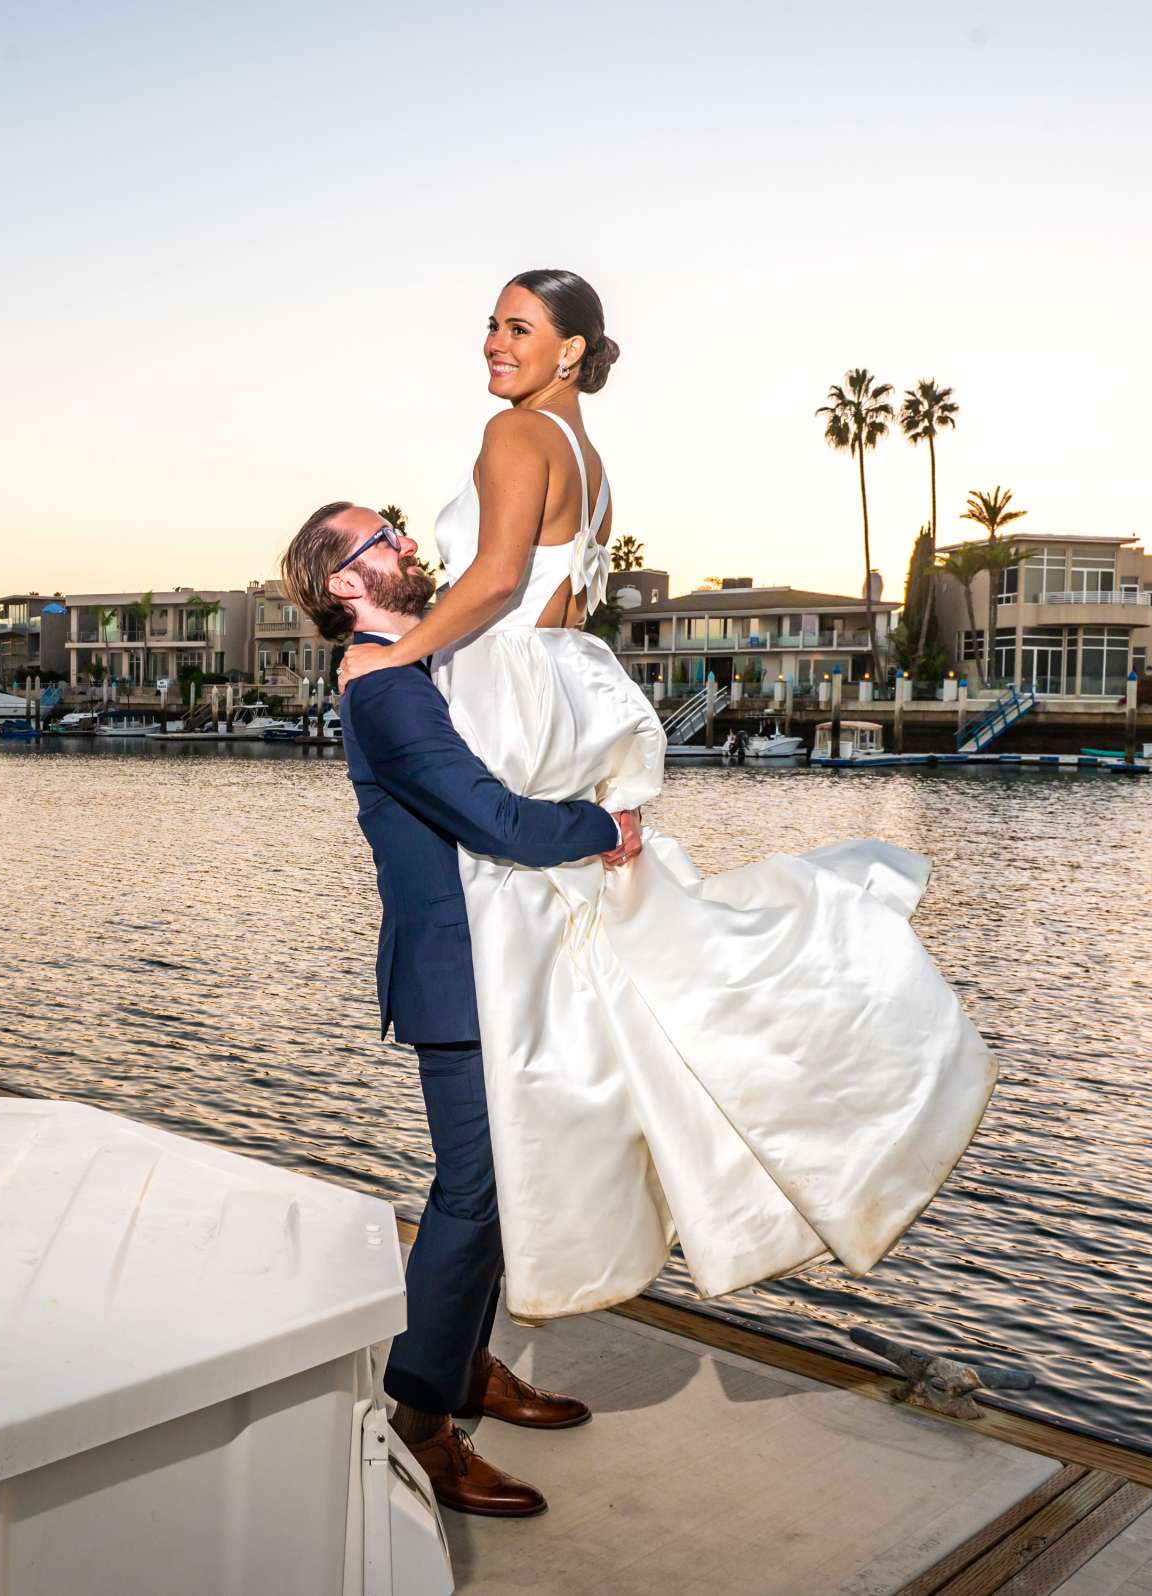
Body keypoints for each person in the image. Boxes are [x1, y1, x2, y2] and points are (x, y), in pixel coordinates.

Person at [335, 268, 996, 1326]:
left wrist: (397, 656)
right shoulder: (591, 462)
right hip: (559, 689)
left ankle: (451, 1366)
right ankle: (486, 1340)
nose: (494, 345)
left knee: (529, 1003)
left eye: (517, 328)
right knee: (582, 996)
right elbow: (561, 597)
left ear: (570, 349)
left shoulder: (513, 437)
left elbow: (498, 580)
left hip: (504, 684)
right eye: (490, 327)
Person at [280, 500, 638, 1517]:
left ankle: (466, 1363)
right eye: (379, 539)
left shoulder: (429, 664)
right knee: (472, 1190)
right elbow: (490, 817)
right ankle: (421, 1421)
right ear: (342, 584)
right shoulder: (385, 689)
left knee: (502, 1177)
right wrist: (602, 825)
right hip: (455, 972)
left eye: (395, 524)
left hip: (499, 963)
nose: (403, 542)